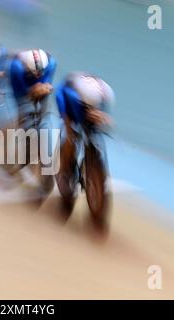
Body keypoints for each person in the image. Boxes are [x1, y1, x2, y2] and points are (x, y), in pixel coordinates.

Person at [55, 72, 114, 211]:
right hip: (69, 102)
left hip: (89, 98)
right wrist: (68, 124)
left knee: (95, 132)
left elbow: (102, 114)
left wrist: (102, 117)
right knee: (72, 136)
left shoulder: (106, 96)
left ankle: (96, 166)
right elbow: (60, 98)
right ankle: (65, 171)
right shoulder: (71, 96)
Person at [7, 49, 59, 199]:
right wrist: (34, 90)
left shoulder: (51, 63)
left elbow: (46, 84)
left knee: (46, 118)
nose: (37, 76)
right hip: (23, 91)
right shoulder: (15, 67)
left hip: (41, 89)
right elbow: (20, 92)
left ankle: (45, 154)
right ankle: (23, 157)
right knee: (26, 120)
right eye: (33, 73)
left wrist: (43, 87)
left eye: (39, 73)